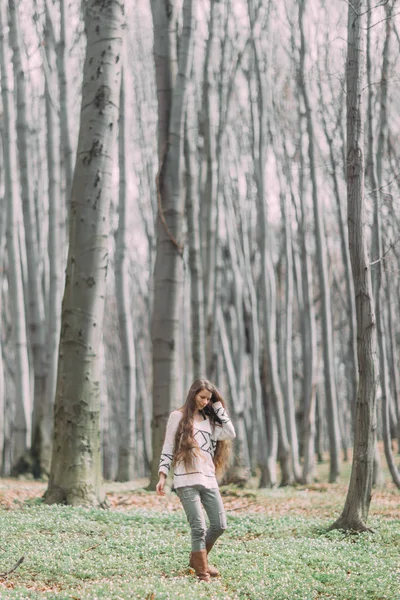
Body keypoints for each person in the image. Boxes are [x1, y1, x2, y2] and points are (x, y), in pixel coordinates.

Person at [156, 379, 236, 582]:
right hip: (185, 480)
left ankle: (197, 560)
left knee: (220, 525)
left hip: (208, 478)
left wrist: (217, 405)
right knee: (198, 527)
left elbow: (230, 433)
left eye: (208, 399)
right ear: (192, 395)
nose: (205, 402)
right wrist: (163, 475)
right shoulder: (178, 417)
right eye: (202, 397)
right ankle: (202, 573)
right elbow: (167, 447)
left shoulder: (209, 420)